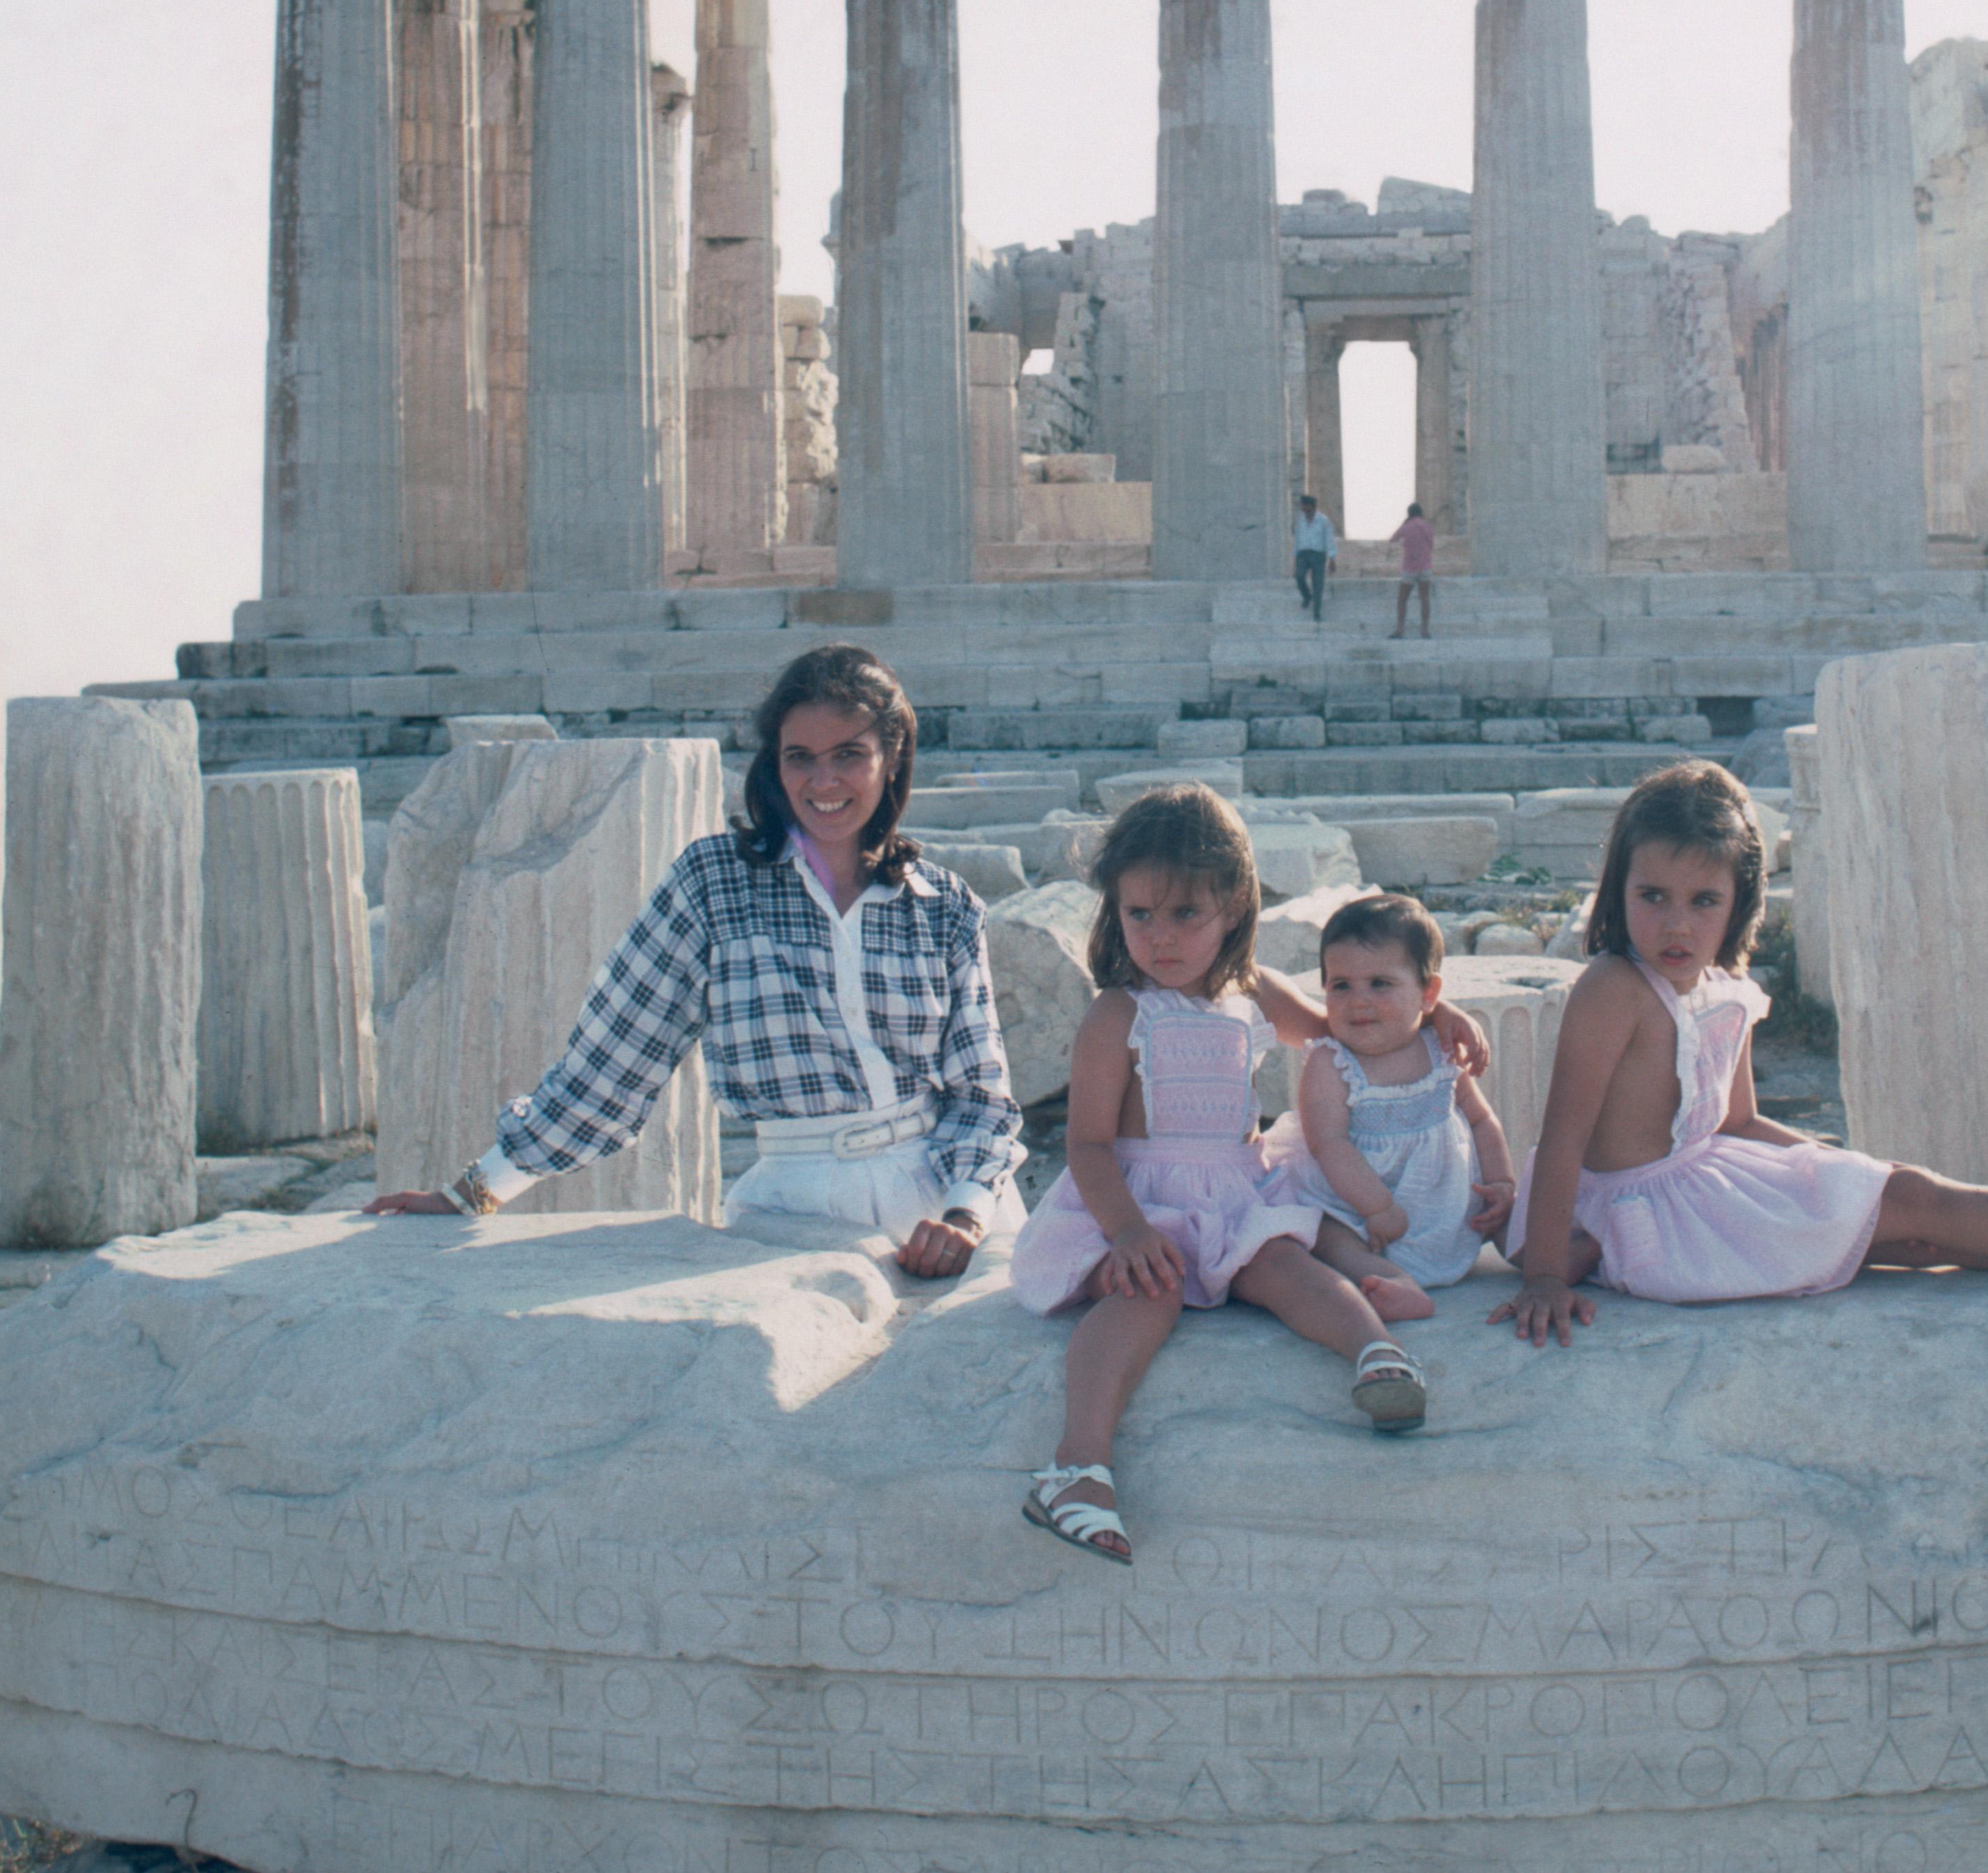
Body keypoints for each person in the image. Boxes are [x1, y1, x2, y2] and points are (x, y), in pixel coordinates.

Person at [1493, 762, 1988, 1346]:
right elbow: (1561, 1139)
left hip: (1710, 1186)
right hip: (1651, 1217)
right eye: (1651, 895)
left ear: (1738, 907)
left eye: (1703, 902)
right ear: (1617, 888)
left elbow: (1736, 1122)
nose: (1675, 924)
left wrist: (1843, 1167)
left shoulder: (1724, 990)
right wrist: (1541, 1278)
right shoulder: (1613, 987)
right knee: (1919, 1208)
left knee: (1913, 1230)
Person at [363, 644, 1023, 1279]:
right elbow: (613, 1060)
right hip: (794, 1211)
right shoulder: (714, 882)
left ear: (891, 758)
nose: (824, 780)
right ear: (775, 765)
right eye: (801, 757)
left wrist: (966, 1213)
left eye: (850, 754)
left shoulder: (944, 905)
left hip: (954, 1210)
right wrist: (472, 1193)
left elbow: (982, 1095)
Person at [1010, 789, 1439, 1567]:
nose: (1160, 937)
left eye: (1185, 915)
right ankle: (1076, 1466)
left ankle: (1375, 1355)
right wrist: (1128, 1230)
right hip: (1141, 1202)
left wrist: (1441, 1020)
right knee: (1150, 1290)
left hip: (1236, 1194)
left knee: (1282, 1259)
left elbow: (1344, 1029)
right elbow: (1087, 1144)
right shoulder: (1118, 1013)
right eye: (1139, 914)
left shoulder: (1251, 994)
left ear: (1234, 904)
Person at [1259, 893, 1517, 1293]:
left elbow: (1481, 1119)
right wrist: (1375, 1207)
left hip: (1437, 1199)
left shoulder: (1439, 1049)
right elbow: (1329, 1144)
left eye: (1380, 984)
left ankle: (1548, 1259)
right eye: (1341, 986)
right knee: (1326, 1234)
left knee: (1505, 1217)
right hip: (1354, 1202)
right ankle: (1383, 1281)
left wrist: (1502, 1181)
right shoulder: (1332, 1062)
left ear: (1428, 994)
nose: (1358, 1001)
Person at [1390, 500, 1438, 638]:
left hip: (1410, 567)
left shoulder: (1407, 526)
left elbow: (1393, 539)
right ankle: (1424, 630)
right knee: (1425, 599)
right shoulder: (1428, 526)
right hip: (1425, 566)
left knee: (1402, 599)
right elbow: (1431, 544)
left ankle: (1400, 629)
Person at [1292, 494, 1338, 621]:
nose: (1304, 507)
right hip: (1303, 554)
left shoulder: (1323, 521)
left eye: (1306, 505)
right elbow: (1297, 540)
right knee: (1299, 576)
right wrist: (1295, 558)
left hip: (1318, 554)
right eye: (1303, 505)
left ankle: (1317, 612)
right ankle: (1307, 596)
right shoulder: (1300, 521)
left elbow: (1329, 539)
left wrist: (1332, 558)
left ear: (1312, 506)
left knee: (1318, 584)